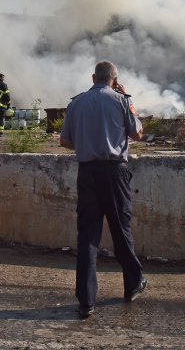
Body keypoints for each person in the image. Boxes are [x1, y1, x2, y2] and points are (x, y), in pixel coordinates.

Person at [59, 61, 147, 319]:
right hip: (114, 172)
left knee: (87, 236)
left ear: (93, 77)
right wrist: (127, 100)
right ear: (114, 79)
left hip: (86, 173)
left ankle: (86, 302)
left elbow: (65, 140)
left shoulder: (76, 103)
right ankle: (133, 284)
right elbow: (138, 134)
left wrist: (86, 142)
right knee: (121, 229)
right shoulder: (122, 100)